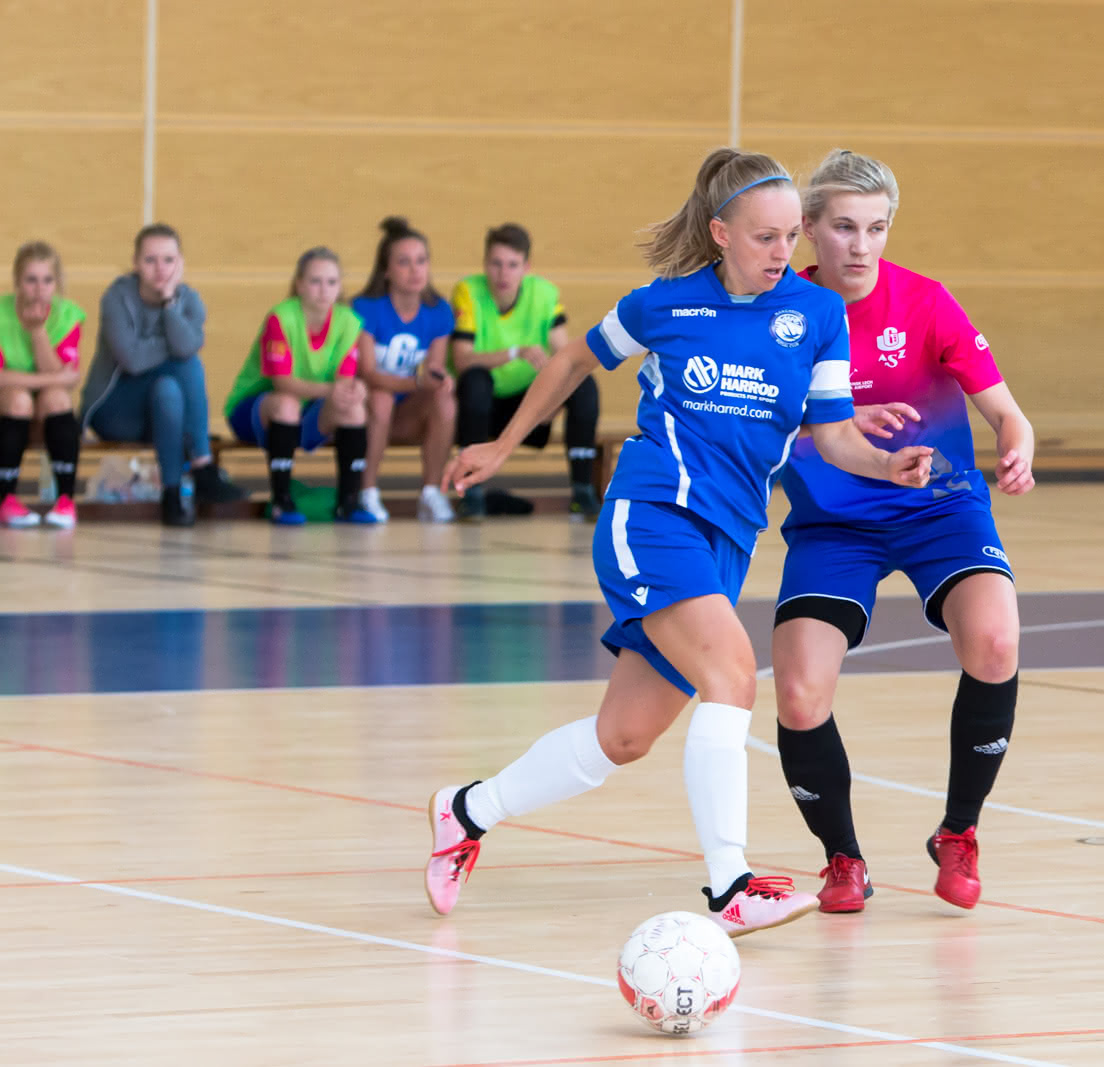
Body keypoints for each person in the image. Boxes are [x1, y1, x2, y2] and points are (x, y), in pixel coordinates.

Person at [426, 147, 933, 937]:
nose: (783, 253)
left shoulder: (817, 315)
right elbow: (570, 359)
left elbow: (834, 436)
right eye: (765, 237)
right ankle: (730, 883)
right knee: (733, 674)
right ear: (721, 232)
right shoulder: (664, 305)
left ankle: (465, 811)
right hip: (652, 514)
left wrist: (883, 463)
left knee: (621, 739)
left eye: (791, 236)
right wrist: (501, 444)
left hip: (727, 541)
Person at [772, 150, 1036, 913]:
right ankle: (843, 858)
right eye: (845, 227)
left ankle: (959, 831)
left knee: (995, 640)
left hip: (940, 506)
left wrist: (1016, 445)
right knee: (797, 691)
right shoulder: (784, 316)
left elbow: (1005, 410)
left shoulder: (923, 302)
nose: (861, 245)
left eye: (877, 228)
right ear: (810, 232)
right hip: (834, 523)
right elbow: (767, 421)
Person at [81, 223, 248, 527]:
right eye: (150, 260)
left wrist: (170, 305)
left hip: (160, 414)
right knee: (185, 363)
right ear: (135, 263)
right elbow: (131, 359)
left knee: (169, 389)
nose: (160, 269)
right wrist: (173, 345)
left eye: (168, 260)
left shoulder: (189, 301)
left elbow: (185, 345)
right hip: (114, 410)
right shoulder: (116, 298)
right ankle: (202, 466)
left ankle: (172, 498)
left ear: (180, 263)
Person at [449, 223, 601, 519]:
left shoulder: (544, 294)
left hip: (529, 404)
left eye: (512, 265)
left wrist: (551, 401)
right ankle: (472, 494)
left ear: (526, 267)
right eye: (496, 264)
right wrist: (514, 352)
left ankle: (582, 491)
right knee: (474, 380)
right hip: (482, 407)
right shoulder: (468, 291)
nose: (503, 274)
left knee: (584, 384)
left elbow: (566, 357)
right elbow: (462, 360)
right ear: (485, 264)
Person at [221, 248, 378, 526]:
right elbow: (282, 382)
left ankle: (349, 502)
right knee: (286, 402)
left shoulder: (348, 322)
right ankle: (281, 500)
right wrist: (332, 391)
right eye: (315, 281)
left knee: (354, 408)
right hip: (255, 411)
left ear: (340, 286)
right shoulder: (281, 318)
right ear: (299, 285)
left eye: (331, 282)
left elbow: (344, 380)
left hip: (307, 415)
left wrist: (354, 390)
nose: (323, 290)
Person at [350, 217, 457, 523]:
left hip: (407, 412)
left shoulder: (438, 310)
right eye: (404, 262)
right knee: (381, 398)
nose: (415, 270)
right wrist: (417, 381)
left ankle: (431, 492)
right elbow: (368, 373)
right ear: (386, 270)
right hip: (366, 410)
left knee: (445, 400)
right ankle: (367, 492)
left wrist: (439, 379)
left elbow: (434, 368)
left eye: (421, 261)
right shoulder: (365, 307)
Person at [0, 241, 85, 529]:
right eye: (31, 280)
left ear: (57, 282)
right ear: (18, 282)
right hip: (10, 406)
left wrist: (37, 333)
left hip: (45, 409)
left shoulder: (68, 315)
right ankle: (6, 499)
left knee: (58, 399)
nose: (39, 288)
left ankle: (65, 501)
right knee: (19, 399)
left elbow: (68, 378)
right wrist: (55, 378)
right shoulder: (1, 314)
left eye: (47, 280)